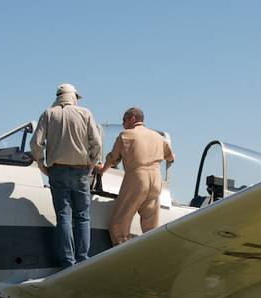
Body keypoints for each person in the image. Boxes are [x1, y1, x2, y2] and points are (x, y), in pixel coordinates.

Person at [30, 83, 103, 267]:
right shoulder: (85, 113)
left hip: (57, 170)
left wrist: (41, 165)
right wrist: (91, 165)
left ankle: (67, 262)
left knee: (63, 216)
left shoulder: (48, 113)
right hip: (81, 171)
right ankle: (83, 259)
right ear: (73, 97)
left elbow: (36, 143)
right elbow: (97, 144)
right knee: (83, 216)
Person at [98, 107, 175, 245]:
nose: (122, 124)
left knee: (118, 226)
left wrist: (102, 170)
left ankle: (122, 257)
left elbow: (113, 159)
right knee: (151, 227)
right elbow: (171, 157)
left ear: (132, 118)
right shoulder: (158, 137)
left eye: (124, 120)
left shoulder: (126, 135)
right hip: (156, 181)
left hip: (137, 178)